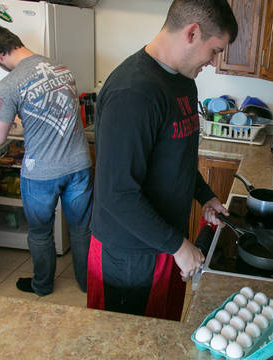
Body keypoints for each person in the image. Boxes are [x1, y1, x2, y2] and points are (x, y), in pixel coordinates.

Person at [89, 0, 238, 318]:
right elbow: (116, 194)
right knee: (125, 345)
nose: (213, 62)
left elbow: (176, 157)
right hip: (129, 253)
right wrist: (178, 245)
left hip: (164, 241)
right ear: (192, 33)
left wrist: (205, 195)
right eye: (214, 51)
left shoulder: (183, 82)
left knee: (159, 335)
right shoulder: (133, 92)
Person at [0, 26, 93, 296]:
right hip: (78, 165)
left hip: (41, 172)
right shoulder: (61, 68)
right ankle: (88, 285)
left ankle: (42, 286)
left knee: (41, 232)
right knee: (81, 229)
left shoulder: (10, 83)